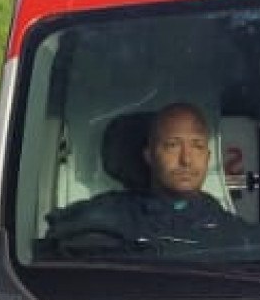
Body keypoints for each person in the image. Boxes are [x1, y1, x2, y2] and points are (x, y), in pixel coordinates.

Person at [47, 98, 244, 253]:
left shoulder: (228, 229)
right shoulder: (106, 218)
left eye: (197, 146)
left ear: (208, 157)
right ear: (149, 156)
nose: (186, 160)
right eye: (172, 145)